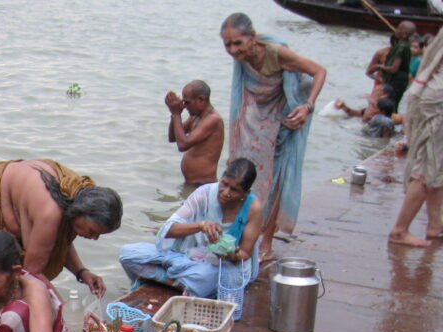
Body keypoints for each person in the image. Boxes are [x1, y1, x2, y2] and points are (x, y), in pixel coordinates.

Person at [221, 12, 326, 261]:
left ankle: (266, 240)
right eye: (228, 44)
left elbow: (319, 71)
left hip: (286, 117)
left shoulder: (277, 53)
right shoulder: (242, 59)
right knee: (248, 174)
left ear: (253, 38)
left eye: (238, 43)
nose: (234, 49)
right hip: (258, 118)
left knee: (277, 177)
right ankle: (243, 234)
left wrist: (307, 105)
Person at [0, 159, 122, 298]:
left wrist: (82, 272)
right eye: (93, 232)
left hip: (24, 194)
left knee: (17, 286)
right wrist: (63, 312)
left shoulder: (78, 194)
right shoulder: (50, 213)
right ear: (81, 212)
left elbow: (58, 242)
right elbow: (30, 275)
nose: (94, 238)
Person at [118, 158, 263, 298]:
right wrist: (201, 226)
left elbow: (245, 253)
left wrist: (231, 255)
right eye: (224, 184)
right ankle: (176, 283)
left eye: (234, 190)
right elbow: (168, 231)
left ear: (245, 193)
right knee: (128, 254)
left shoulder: (253, 208)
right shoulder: (204, 193)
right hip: (185, 255)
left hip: (218, 267)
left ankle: (171, 279)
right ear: (221, 178)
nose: (226, 192)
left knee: (208, 277)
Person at [388, 30, 443, 246]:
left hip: (430, 96)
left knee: (436, 163)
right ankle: (400, 230)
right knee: (427, 167)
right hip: (437, 103)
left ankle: (435, 223)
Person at [164, 79, 225, 186]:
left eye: (187, 102)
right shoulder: (195, 117)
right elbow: (173, 137)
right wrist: (173, 115)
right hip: (192, 184)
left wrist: (176, 114)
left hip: (204, 184)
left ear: (201, 99)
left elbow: (183, 145)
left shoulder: (213, 119)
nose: (185, 106)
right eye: (183, 102)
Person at [371, 21, 416, 105]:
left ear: (404, 34)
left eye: (399, 28)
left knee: (390, 104)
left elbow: (394, 69)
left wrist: (379, 66)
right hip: (400, 81)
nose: (396, 30)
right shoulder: (406, 46)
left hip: (396, 82)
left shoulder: (401, 47)